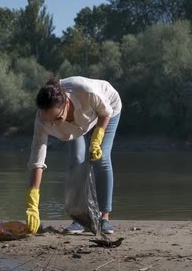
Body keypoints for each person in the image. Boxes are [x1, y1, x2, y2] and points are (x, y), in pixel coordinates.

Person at [25, 76, 122, 235]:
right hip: (76, 128)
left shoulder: (88, 91)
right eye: (48, 119)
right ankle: (80, 218)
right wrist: (32, 204)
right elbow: (37, 160)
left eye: (57, 118)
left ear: (67, 104)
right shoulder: (43, 121)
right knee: (76, 159)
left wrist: (97, 138)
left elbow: (105, 113)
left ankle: (104, 217)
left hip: (106, 110)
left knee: (101, 157)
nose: (53, 124)